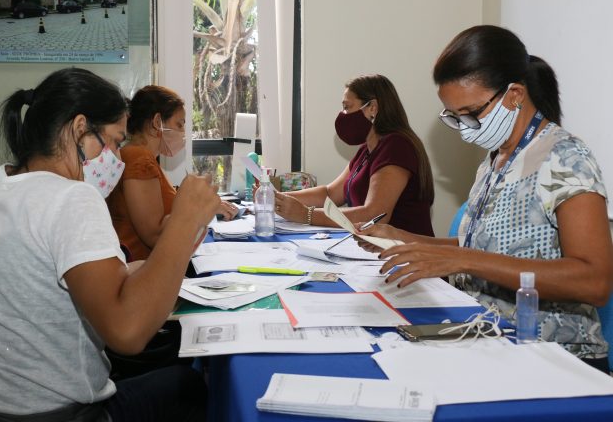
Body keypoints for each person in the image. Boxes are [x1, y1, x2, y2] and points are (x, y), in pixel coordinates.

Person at [0, 68, 221, 421]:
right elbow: (127, 334)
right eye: (114, 141)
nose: (116, 156)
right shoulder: (72, 198)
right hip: (46, 413)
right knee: (188, 387)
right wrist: (186, 223)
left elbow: (45, 274)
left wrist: (143, 269)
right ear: (80, 128)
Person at [358, 25, 613, 372]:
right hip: (491, 337)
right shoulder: (495, 159)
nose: (465, 126)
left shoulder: (565, 158)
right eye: (455, 115)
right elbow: (478, 246)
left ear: (514, 95)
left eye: (472, 112)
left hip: (558, 358)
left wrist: (465, 260)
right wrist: (404, 239)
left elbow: (594, 280)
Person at [274, 74, 434, 236]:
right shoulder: (367, 149)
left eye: (347, 107)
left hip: (404, 253)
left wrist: (306, 214)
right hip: (375, 248)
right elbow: (330, 193)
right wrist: (277, 198)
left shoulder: (397, 147)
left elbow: (375, 215)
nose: (343, 114)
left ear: (372, 108)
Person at [106, 85, 239, 261]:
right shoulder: (139, 158)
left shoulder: (143, 157)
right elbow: (155, 235)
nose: (183, 132)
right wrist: (199, 207)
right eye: (179, 124)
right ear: (157, 122)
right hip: (143, 265)